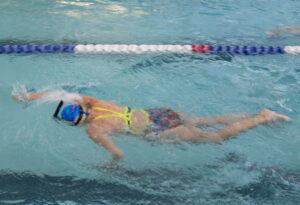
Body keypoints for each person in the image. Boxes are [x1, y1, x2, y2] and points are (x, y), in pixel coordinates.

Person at [14, 91, 290, 160]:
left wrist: (110, 166)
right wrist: (30, 96)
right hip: (157, 113)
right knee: (208, 120)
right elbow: (60, 94)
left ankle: (263, 118)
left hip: (158, 130)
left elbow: (119, 153)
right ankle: (258, 114)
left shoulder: (94, 130)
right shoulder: (94, 102)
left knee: (216, 138)